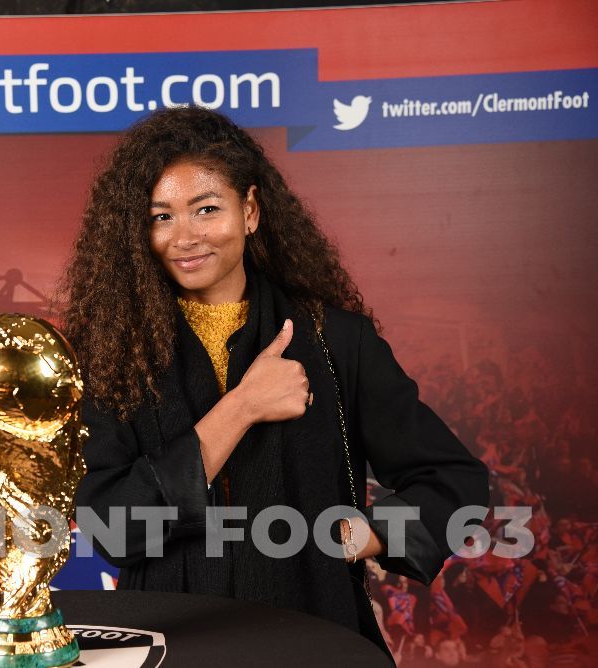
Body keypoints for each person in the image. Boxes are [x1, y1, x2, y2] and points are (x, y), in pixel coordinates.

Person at [59, 106, 490, 661]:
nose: (184, 238)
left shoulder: (335, 340)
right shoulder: (113, 358)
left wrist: (371, 534)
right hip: (169, 644)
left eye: (206, 209)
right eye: (161, 217)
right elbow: (115, 528)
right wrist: (242, 406)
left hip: (317, 634)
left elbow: (453, 482)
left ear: (251, 210)